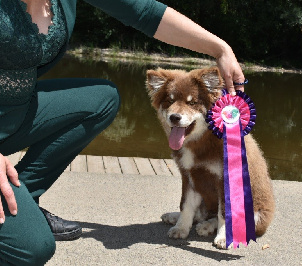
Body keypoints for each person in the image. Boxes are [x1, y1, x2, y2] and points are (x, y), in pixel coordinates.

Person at [0, 0, 246, 265]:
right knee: (32, 249)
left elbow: (144, 12)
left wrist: (220, 49)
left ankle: (23, 194)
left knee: (102, 100)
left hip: (17, 112)